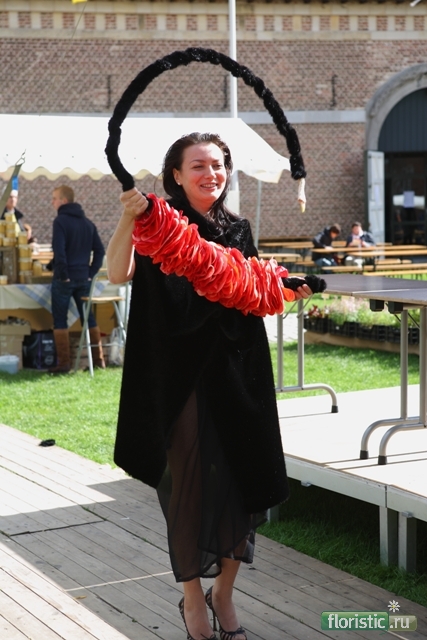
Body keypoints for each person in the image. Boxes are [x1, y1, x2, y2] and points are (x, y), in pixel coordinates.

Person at [107, 132, 323, 640]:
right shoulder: (157, 222)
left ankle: (222, 593)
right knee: (190, 488)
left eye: (219, 164)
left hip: (237, 373)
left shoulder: (237, 229)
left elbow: (252, 287)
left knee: (245, 485)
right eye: (199, 165)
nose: (212, 174)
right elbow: (118, 272)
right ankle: (192, 600)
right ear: (176, 175)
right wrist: (127, 218)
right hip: (179, 377)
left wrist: (287, 287)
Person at [49, 185, 105, 373]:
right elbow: (100, 251)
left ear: (64, 201)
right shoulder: (87, 223)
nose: (52, 202)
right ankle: (98, 361)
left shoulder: (60, 222)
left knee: (60, 320)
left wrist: (63, 274)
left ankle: (64, 364)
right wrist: (91, 272)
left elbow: (59, 251)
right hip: (83, 277)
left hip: (65, 279)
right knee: (89, 318)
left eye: (55, 198)